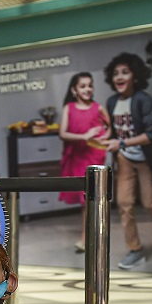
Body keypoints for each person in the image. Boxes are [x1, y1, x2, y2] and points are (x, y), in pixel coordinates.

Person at [102, 52, 152, 269]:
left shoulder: (143, 100)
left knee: (150, 203)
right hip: (124, 160)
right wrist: (103, 137)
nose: (119, 77)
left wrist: (122, 143)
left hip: (145, 159)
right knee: (124, 204)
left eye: (125, 72)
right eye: (115, 73)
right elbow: (113, 130)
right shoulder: (112, 102)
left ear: (135, 75)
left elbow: (151, 135)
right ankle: (135, 249)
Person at [57, 71, 109, 253]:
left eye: (90, 85)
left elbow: (109, 128)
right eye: (83, 86)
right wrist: (84, 136)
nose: (87, 89)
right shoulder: (68, 108)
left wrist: (102, 140)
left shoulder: (98, 107)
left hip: (94, 156)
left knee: (89, 199)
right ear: (74, 90)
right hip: (77, 156)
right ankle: (90, 236)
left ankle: (86, 238)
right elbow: (63, 133)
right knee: (84, 199)